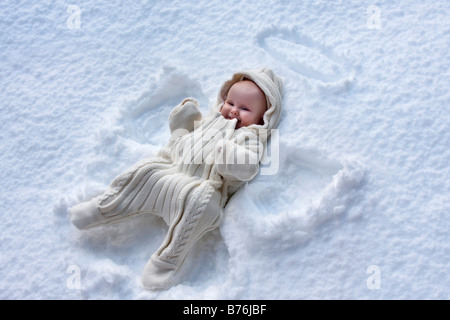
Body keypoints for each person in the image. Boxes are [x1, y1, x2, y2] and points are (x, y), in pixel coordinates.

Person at [69, 68, 283, 289]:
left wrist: (230, 156)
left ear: (262, 118)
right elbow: (180, 142)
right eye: (230, 103)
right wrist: (182, 125)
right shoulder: (209, 122)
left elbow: (246, 169)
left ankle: (167, 260)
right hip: (171, 170)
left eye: (245, 108)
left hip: (201, 186)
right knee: (145, 170)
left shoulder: (249, 138)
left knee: (202, 204)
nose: (233, 111)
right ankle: (104, 208)